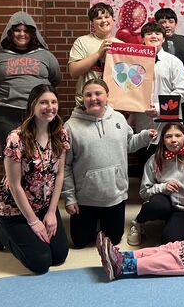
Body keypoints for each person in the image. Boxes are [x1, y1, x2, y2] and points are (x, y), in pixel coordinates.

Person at [62, 79, 157, 247]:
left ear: (107, 96)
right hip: (86, 198)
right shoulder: (70, 127)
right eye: (88, 94)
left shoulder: (119, 118)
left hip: (114, 195)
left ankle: (102, 222)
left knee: (114, 239)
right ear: (82, 98)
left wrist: (144, 137)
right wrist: (70, 198)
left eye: (98, 93)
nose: (93, 98)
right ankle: (93, 223)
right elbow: (65, 165)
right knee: (80, 242)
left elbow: (127, 144)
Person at [0, 84, 70, 274]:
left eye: (53, 102)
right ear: (32, 106)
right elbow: (14, 185)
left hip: (44, 206)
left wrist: (52, 212)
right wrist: (34, 222)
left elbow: (59, 175)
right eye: (43, 102)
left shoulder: (60, 134)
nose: (49, 107)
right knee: (41, 263)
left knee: (59, 256)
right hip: (16, 210)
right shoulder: (16, 138)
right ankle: (2, 230)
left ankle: (27, 228)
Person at [0, 11, 61, 155]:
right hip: (6, 114)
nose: (21, 34)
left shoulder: (45, 55)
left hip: (38, 112)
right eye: (17, 30)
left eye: (26, 30)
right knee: (11, 154)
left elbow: (55, 79)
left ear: (33, 33)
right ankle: (13, 179)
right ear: (10, 33)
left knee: (38, 154)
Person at [127, 122, 184, 246]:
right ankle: (138, 222)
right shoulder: (154, 159)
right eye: (168, 136)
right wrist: (163, 187)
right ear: (162, 140)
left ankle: (176, 225)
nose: (173, 140)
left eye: (178, 135)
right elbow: (143, 192)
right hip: (164, 201)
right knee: (157, 206)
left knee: (169, 241)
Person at [68, 2, 122, 106]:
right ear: (92, 23)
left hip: (113, 104)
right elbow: (73, 71)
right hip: (86, 103)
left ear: (113, 20)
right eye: (99, 18)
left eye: (107, 17)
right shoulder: (82, 41)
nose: (104, 21)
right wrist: (98, 53)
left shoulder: (121, 45)